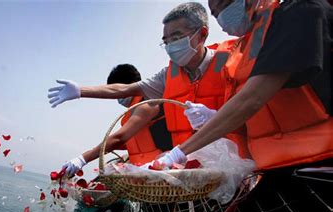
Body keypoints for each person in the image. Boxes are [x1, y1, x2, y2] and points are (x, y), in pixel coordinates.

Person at [49, 3, 247, 165]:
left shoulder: (232, 61)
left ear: (202, 34)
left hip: (236, 164)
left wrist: (215, 117)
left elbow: (257, 103)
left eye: (176, 38)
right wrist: (80, 90)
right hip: (187, 169)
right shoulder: (168, 75)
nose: (170, 46)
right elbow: (125, 89)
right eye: (166, 41)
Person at [155, 0, 332, 169]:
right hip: (272, 163)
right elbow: (259, 112)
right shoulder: (246, 45)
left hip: (321, 159)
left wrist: (177, 154)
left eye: (226, 4)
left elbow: (252, 99)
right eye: (216, 13)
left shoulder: (298, 12)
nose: (223, 15)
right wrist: (213, 116)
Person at [61, 64, 172, 176]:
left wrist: (83, 159)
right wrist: (105, 147)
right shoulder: (129, 114)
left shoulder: (148, 103)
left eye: (117, 91)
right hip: (144, 171)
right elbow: (125, 142)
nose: (117, 98)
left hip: (162, 171)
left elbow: (119, 138)